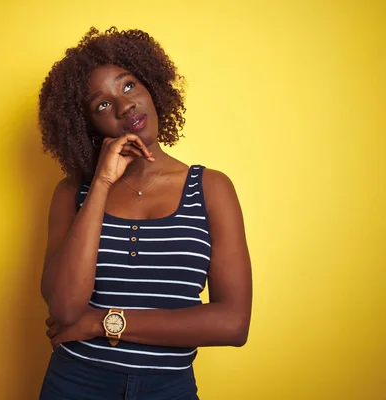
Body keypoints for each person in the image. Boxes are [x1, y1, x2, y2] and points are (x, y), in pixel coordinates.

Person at [37, 27, 252, 400]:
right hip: (74, 384)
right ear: (86, 125)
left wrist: (101, 322)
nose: (124, 106)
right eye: (101, 105)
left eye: (129, 86)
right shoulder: (74, 192)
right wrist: (102, 183)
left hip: (168, 389)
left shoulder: (211, 188)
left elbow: (233, 324)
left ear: (152, 87)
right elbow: (65, 307)